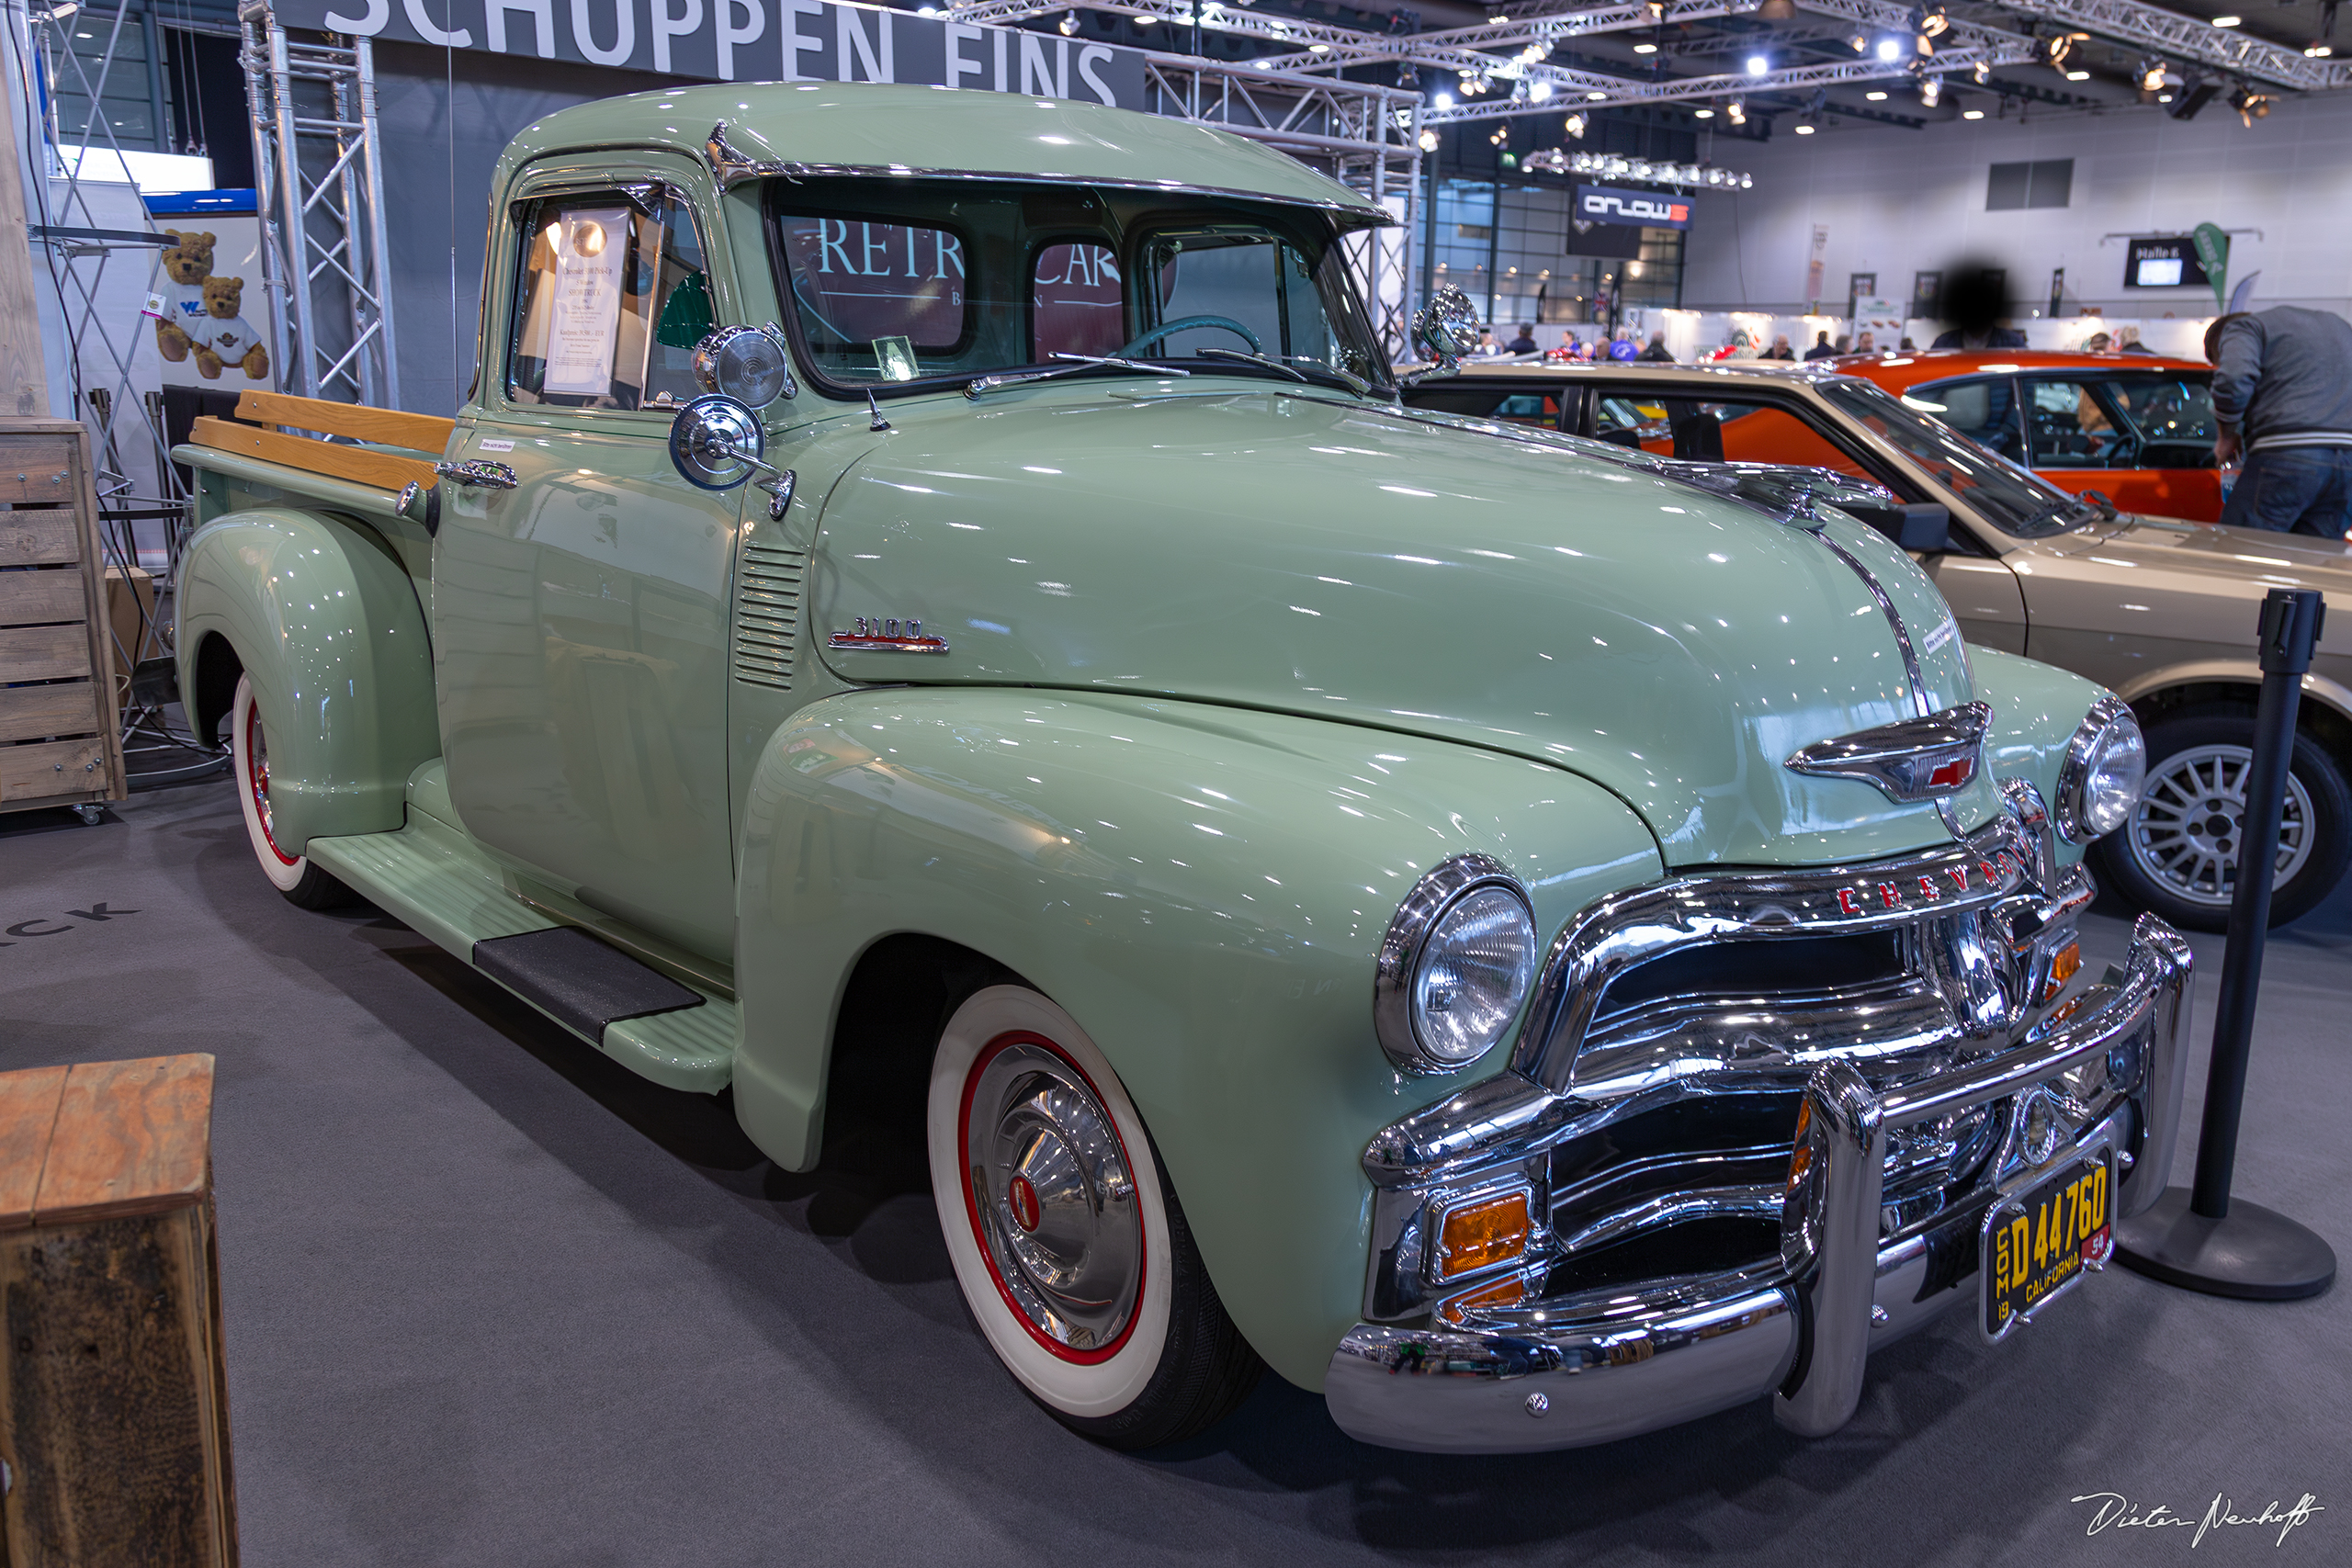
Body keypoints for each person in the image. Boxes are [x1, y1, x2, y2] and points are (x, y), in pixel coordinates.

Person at [2207, 307, 2352, 537]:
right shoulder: (2338, 326)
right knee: (2313, 561)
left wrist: (2226, 436)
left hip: (2288, 456)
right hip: (2347, 463)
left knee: (2240, 552)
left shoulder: (2243, 329)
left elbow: (2233, 379)